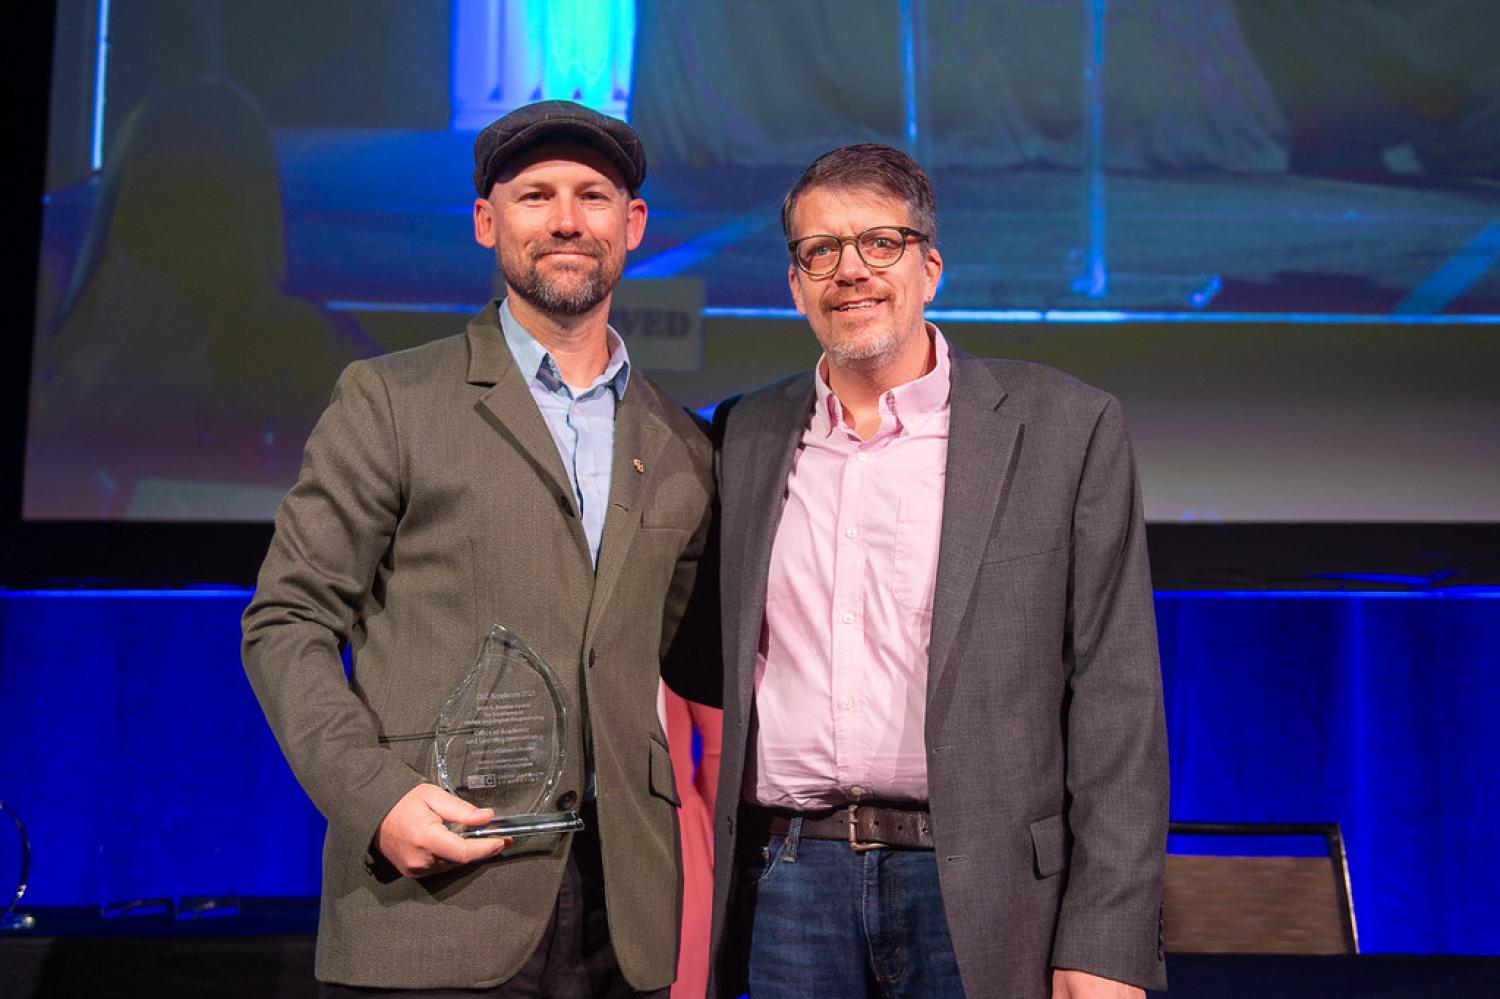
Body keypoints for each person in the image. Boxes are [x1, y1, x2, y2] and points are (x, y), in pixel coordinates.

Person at [243, 100, 715, 996]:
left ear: (634, 225)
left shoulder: (683, 442)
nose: (568, 219)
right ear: (487, 221)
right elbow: (286, 621)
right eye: (535, 195)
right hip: (432, 899)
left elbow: (692, 652)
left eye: (594, 195)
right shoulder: (391, 398)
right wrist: (375, 796)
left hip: (629, 919)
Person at [705, 144, 1169, 998]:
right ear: (797, 284)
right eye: (822, 251)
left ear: (930, 267)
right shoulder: (743, 435)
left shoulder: (1065, 429)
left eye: (880, 242)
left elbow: (1118, 701)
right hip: (793, 883)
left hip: (987, 891)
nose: (851, 270)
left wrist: (1108, 940)